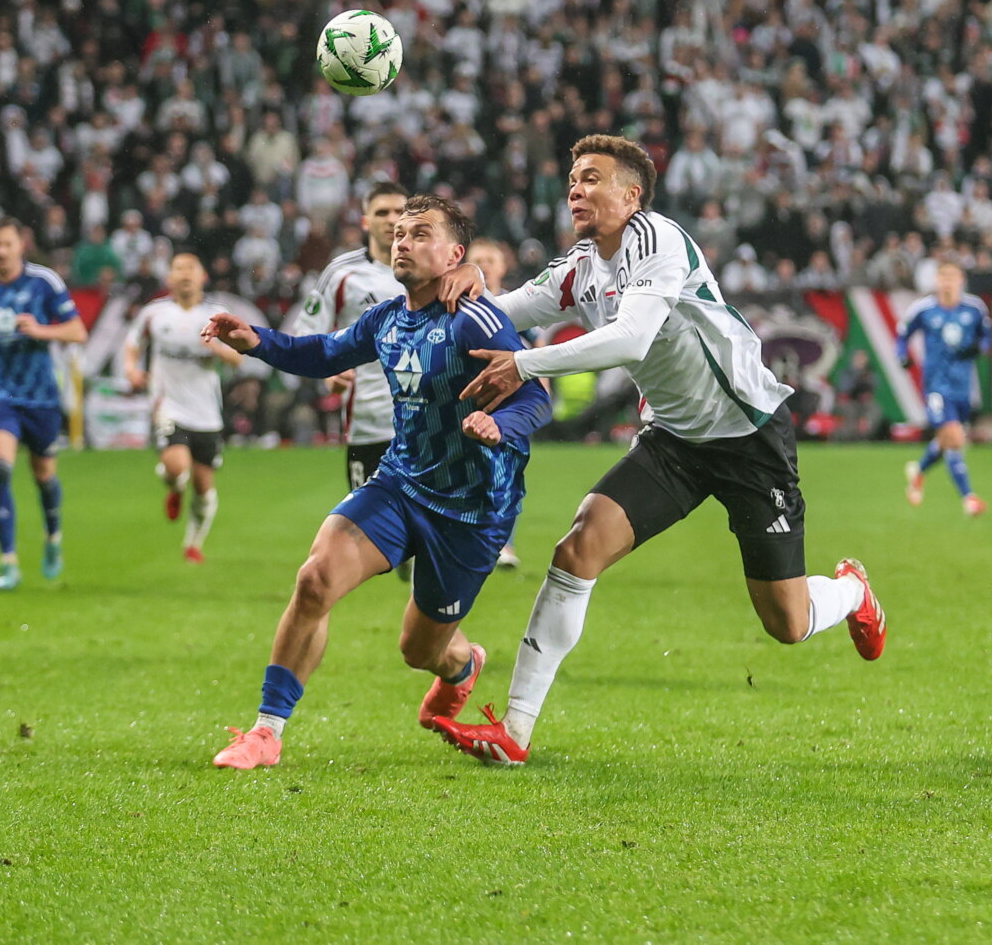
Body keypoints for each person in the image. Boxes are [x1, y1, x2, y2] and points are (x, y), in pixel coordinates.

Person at [430, 135, 884, 767]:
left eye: (592, 178)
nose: (576, 190)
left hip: (748, 433)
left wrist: (524, 365)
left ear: (631, 195)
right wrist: (459, 287)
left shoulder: (657, 240)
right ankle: (514, 732)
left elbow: (631, 339)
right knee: (577, 547)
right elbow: (498, 316)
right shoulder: (579, 268)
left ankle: (854, 593)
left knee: (787, 622)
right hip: (674, 439)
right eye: (572, 179)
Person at [200, 194, 551, 770]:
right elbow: (324, 352)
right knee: (315, 579)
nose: (403, 242)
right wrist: (256, 340)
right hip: (400, 483)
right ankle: (266, 732)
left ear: (455, 254)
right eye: (399, 234)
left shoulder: (475, 317)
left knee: (420, 650)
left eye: (420, 234)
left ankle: (462, 667)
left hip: (473, 508)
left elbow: (536, 394)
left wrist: (498, 421)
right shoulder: (389, 317)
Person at [0, 219, 89, 591]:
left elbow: (77, 331)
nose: (1, 251)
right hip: (0, 392)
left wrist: (42, 330)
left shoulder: (44, 282)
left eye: (7, 244)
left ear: (20, 246)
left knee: (43, 474)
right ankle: (8, 561)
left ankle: (53, 537)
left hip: (41, 394)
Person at [292, 180, 413, 580]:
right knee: (384, 546)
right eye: (382, 212)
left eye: (400, 212)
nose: (392, 220)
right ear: (365, 221)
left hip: (425, 424)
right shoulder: (343, 274)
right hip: (367, 424)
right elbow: (306, 335)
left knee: (425, 538)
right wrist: (329, 374)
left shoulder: (431, 268)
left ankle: (443, 636)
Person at [123, 253, 242, 563]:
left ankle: (193, 544)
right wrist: (131, 369)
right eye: (178, 269)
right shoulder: (155, 313)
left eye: (191, 268)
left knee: (204, 489)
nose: (185, 274)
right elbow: (133, 343)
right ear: (169, 278)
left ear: (203, 276)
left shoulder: (217, 315)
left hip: (207, 413)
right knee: (178, 467)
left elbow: (238, 358)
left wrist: (216, 349)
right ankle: (174, 484)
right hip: (169, 407)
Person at [897, 262, 992, 516]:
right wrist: (902, 355)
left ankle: (918, 471)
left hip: (963, 386)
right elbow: (903, 332)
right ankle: (969, 498)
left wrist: (981, 347)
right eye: (943, 276)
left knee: (945, 440)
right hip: (936, 386)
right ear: (937, 280)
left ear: (961, 279)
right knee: (954, 438)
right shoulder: (925, 309)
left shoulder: (974, 308)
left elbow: (986, 334)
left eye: (952, 276)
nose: (947, 281)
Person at [467, 236, 525, 570]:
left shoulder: (521, 306)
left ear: (504, 267)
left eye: (492, 259)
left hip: (508, 403)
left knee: (505, 473)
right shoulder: (457, 306)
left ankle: (504, 544)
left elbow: (535, 351)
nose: (486, 266)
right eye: (479, 260)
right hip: (465, 399)